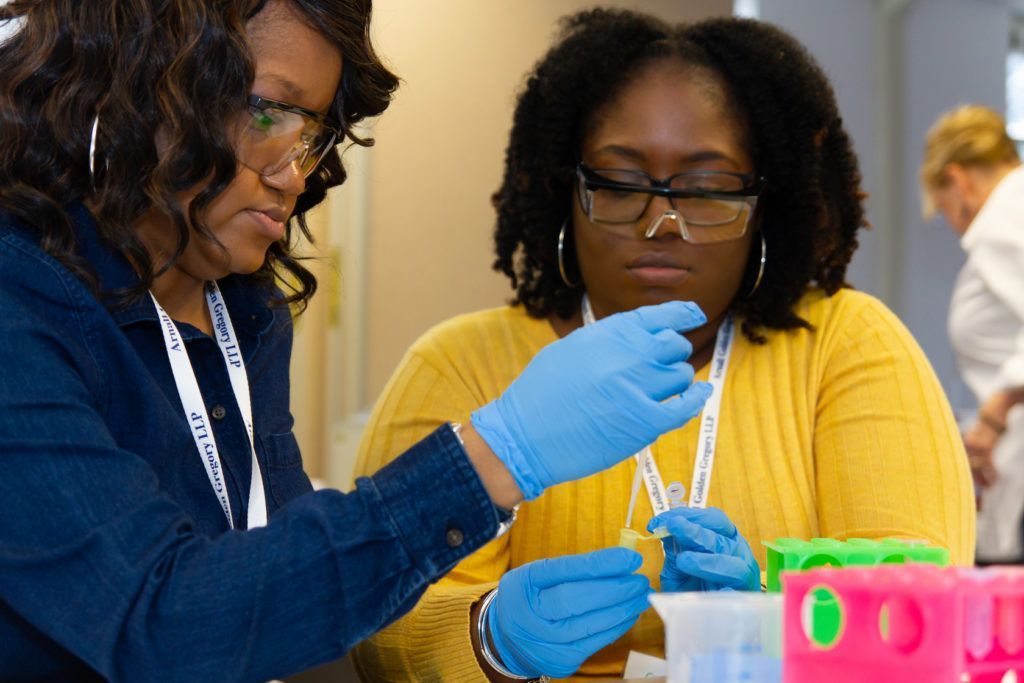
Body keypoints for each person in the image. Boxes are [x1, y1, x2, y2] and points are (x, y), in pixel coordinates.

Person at [0, 1, 713, 680]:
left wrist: (493, 642)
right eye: (263, 112)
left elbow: (272, 607)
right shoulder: (20, 300)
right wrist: (494, 455)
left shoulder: (245, 312)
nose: (292, 173)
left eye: (310, 133)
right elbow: (160, 626)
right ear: (134, 78)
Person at [352, 9, 976, 681]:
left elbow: (918, 618)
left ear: (765, 207)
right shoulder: (460, 363)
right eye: (620, 185)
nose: (661, 223)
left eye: (708, 191)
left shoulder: (849, 347)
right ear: (569, 192)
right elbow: (376, 626)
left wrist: (767, 623)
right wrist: (488, 638)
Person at [921, 104, 1024, 564]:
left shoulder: (1003, 222)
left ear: (959, 180)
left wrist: (995, 413)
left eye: (944, 208)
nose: (951, 221)